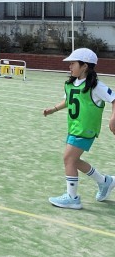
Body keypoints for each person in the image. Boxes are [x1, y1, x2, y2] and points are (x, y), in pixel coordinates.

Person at [43, 48, 115, 210]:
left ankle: (72, 198)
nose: (69, 66)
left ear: (85, 66)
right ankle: (105, 182)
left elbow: (114, 98)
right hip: (74, 127)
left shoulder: (96, 86)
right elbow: (68, 101)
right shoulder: (71, 84)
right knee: (74, 161)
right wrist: (53, 109)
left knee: (68, 159)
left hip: (86, 129)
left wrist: (113, 118)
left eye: (73, 63)